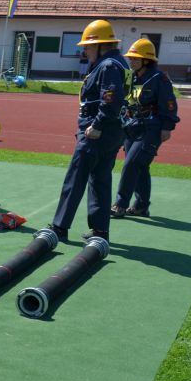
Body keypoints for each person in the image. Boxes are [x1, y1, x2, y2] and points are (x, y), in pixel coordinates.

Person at [49, 19, 130, 242]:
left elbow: (110, 100)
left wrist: (97, 125)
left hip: (98, 130)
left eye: (87, 46)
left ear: (100, 45)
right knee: (100, 179)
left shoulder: (108, 66)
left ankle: (59, 227)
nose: (84, 50)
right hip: (113, 132)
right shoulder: (119, 63)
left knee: (76, 178)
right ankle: (100, 230)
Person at [112, 39, 179, 218]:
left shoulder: (159, 78)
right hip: (132, 127)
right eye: (131, 58)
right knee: (140, 167)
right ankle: (141, 207)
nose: (131, 61)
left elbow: (169, 104)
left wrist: (167, 127)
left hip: (151, 129)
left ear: (146, 60)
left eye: (135, 58)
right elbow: (128, 101)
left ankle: (120, 204)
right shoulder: (130, 77)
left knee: (131, 164)